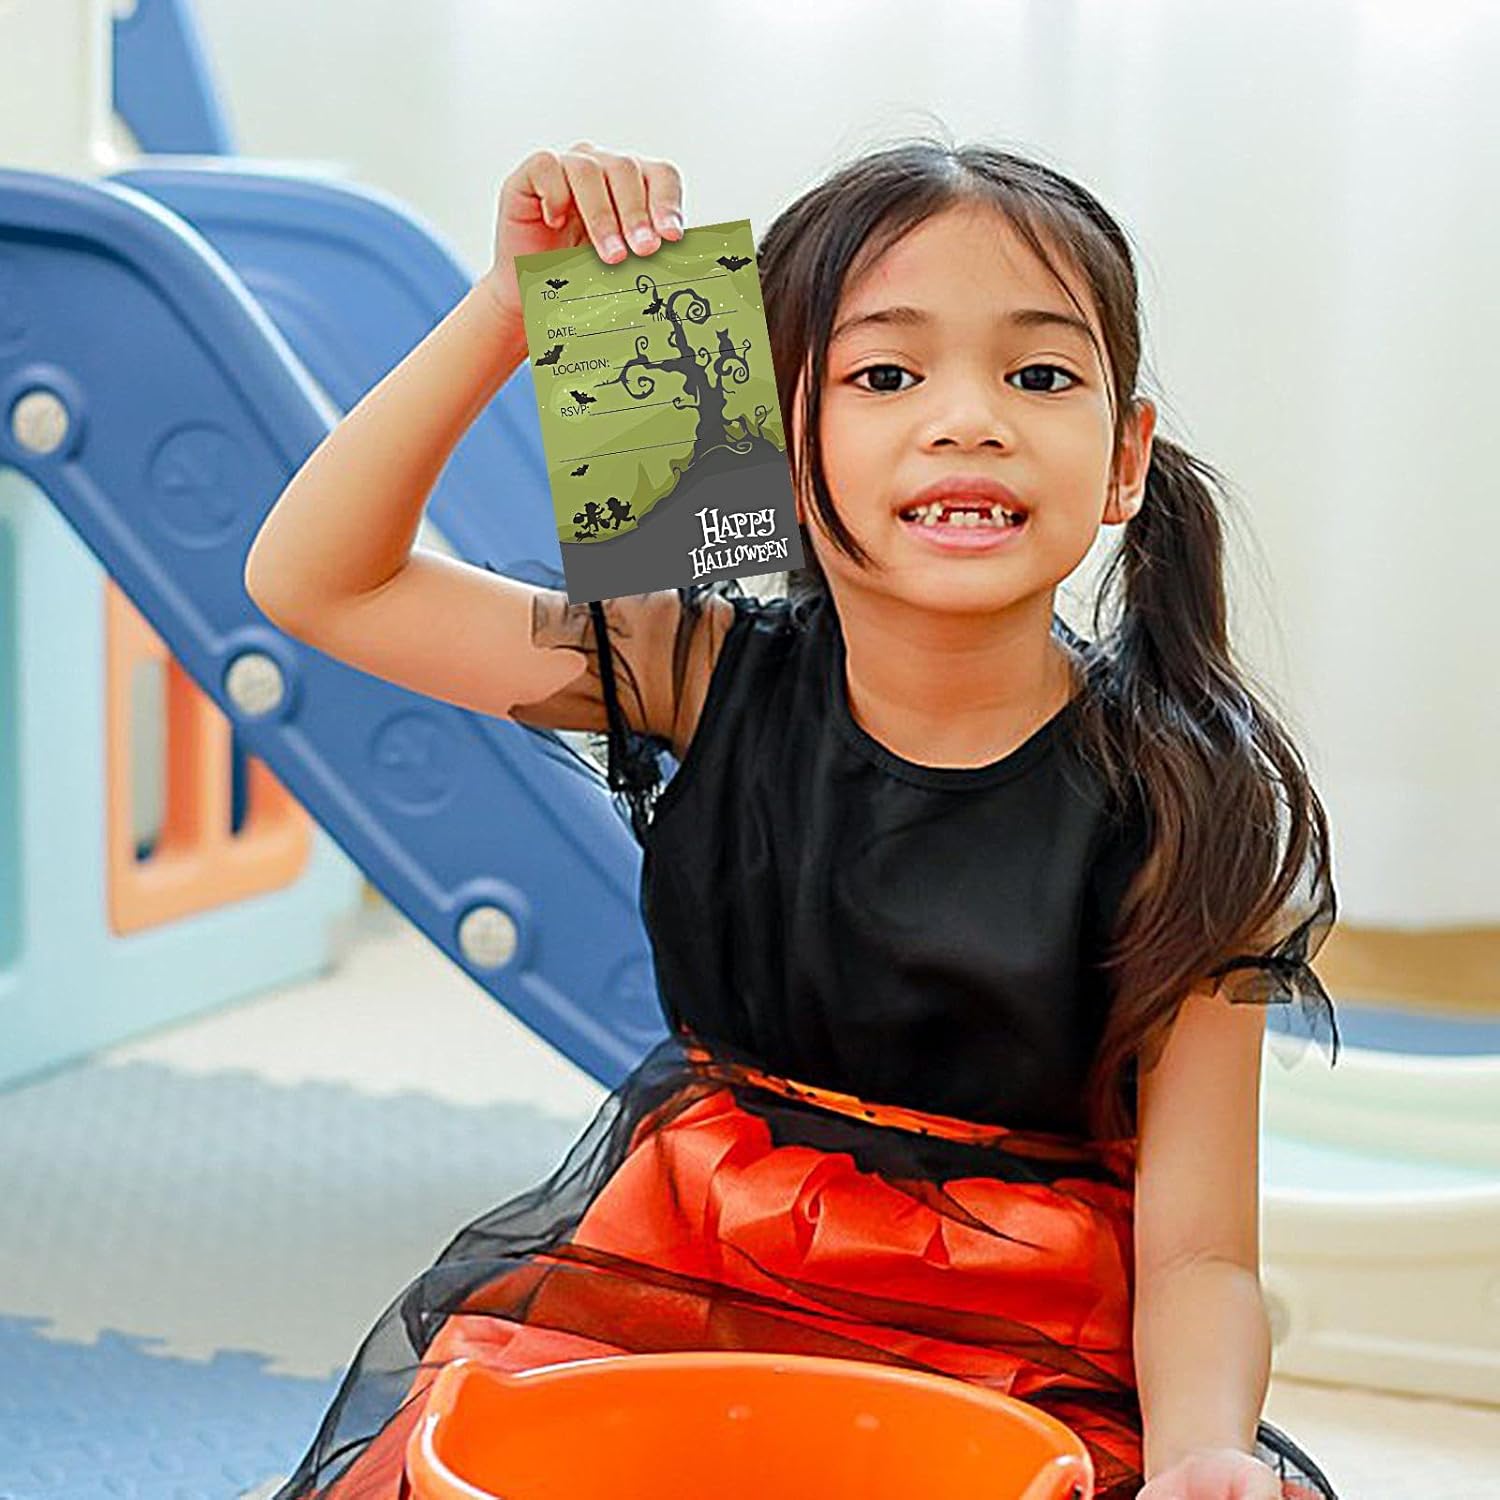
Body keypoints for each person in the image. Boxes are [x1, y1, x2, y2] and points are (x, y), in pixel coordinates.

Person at [244, 136, 1344, 1500]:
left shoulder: (1195, 805)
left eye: (1039, 375)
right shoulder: (695, 668)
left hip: (1019, 1352)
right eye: (885, 375)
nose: (969, 419)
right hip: (687, 1282)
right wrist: (507, 308)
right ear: (775, 444)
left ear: (1124, 462)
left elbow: (1201, 1256)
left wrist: (1202, 1455)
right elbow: (319, 582)